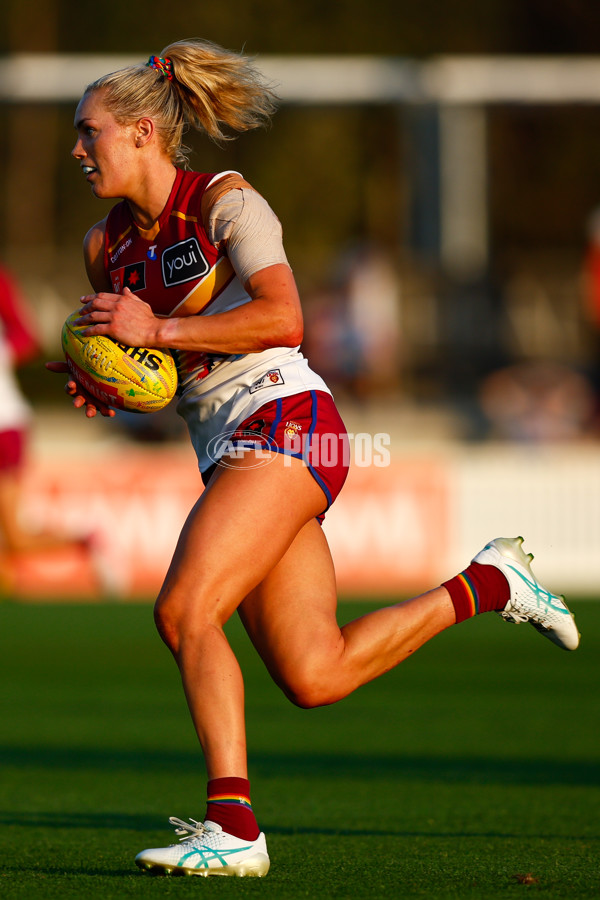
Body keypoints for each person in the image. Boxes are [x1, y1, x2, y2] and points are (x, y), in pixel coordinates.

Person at [47, 39, 580, 878]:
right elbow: (162, 372)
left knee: (184, 611)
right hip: (228, 441)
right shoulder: (102, 247)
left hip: (292, 418)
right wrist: (112, 383)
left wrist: (156, 331)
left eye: (90, 132)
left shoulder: (226, 201)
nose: (77, 150)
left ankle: (234, 828)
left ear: (145, 131)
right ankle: (493, 584)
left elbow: (284, 318)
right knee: (315, 673)